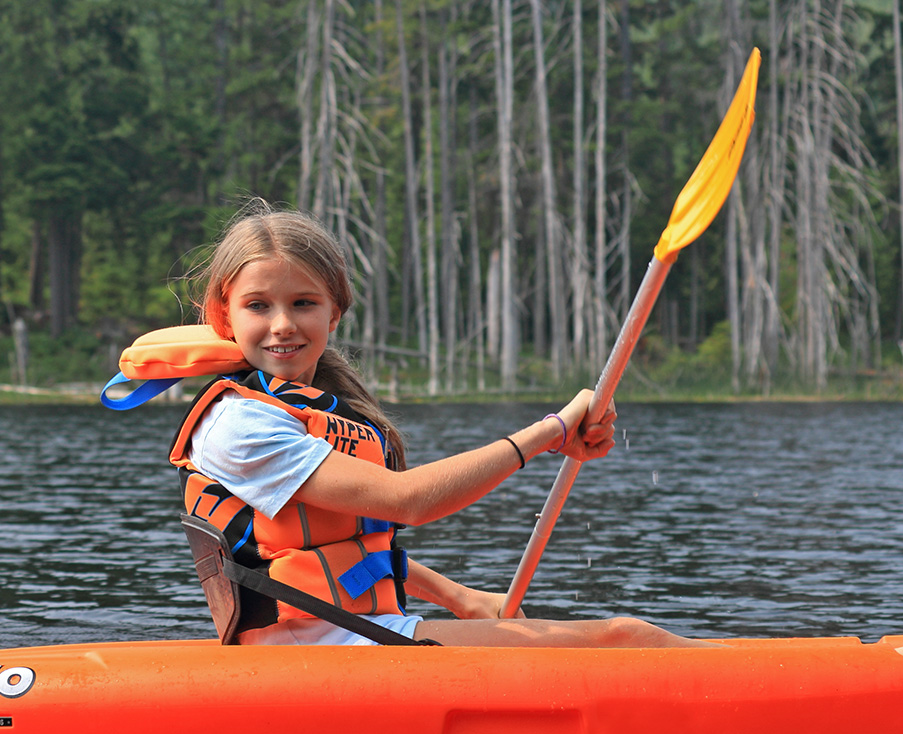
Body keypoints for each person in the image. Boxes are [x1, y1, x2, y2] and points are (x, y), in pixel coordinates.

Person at [169, 202, 712, 648]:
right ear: (223, 315)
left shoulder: (327, 408)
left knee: (629, 635)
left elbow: (356, 548)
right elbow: (410, 502)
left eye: (303, 303)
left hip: (356, 635)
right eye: (258, 306)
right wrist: (552, 431)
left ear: (334, 313)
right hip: (313, 649)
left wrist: (460, 597)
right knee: (627, 639)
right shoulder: (237, 424)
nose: (282, 324)